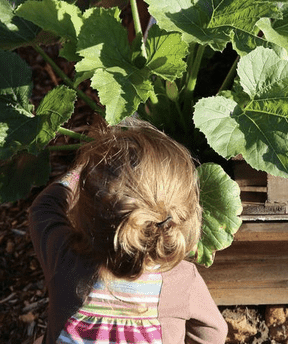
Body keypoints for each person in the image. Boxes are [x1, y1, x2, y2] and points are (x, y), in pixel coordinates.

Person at [29, 119, 228, 344]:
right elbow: (214, 333)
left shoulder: (65, 260)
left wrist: (82, 169)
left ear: (86, 214)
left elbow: (44, 207)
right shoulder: (182, 281)